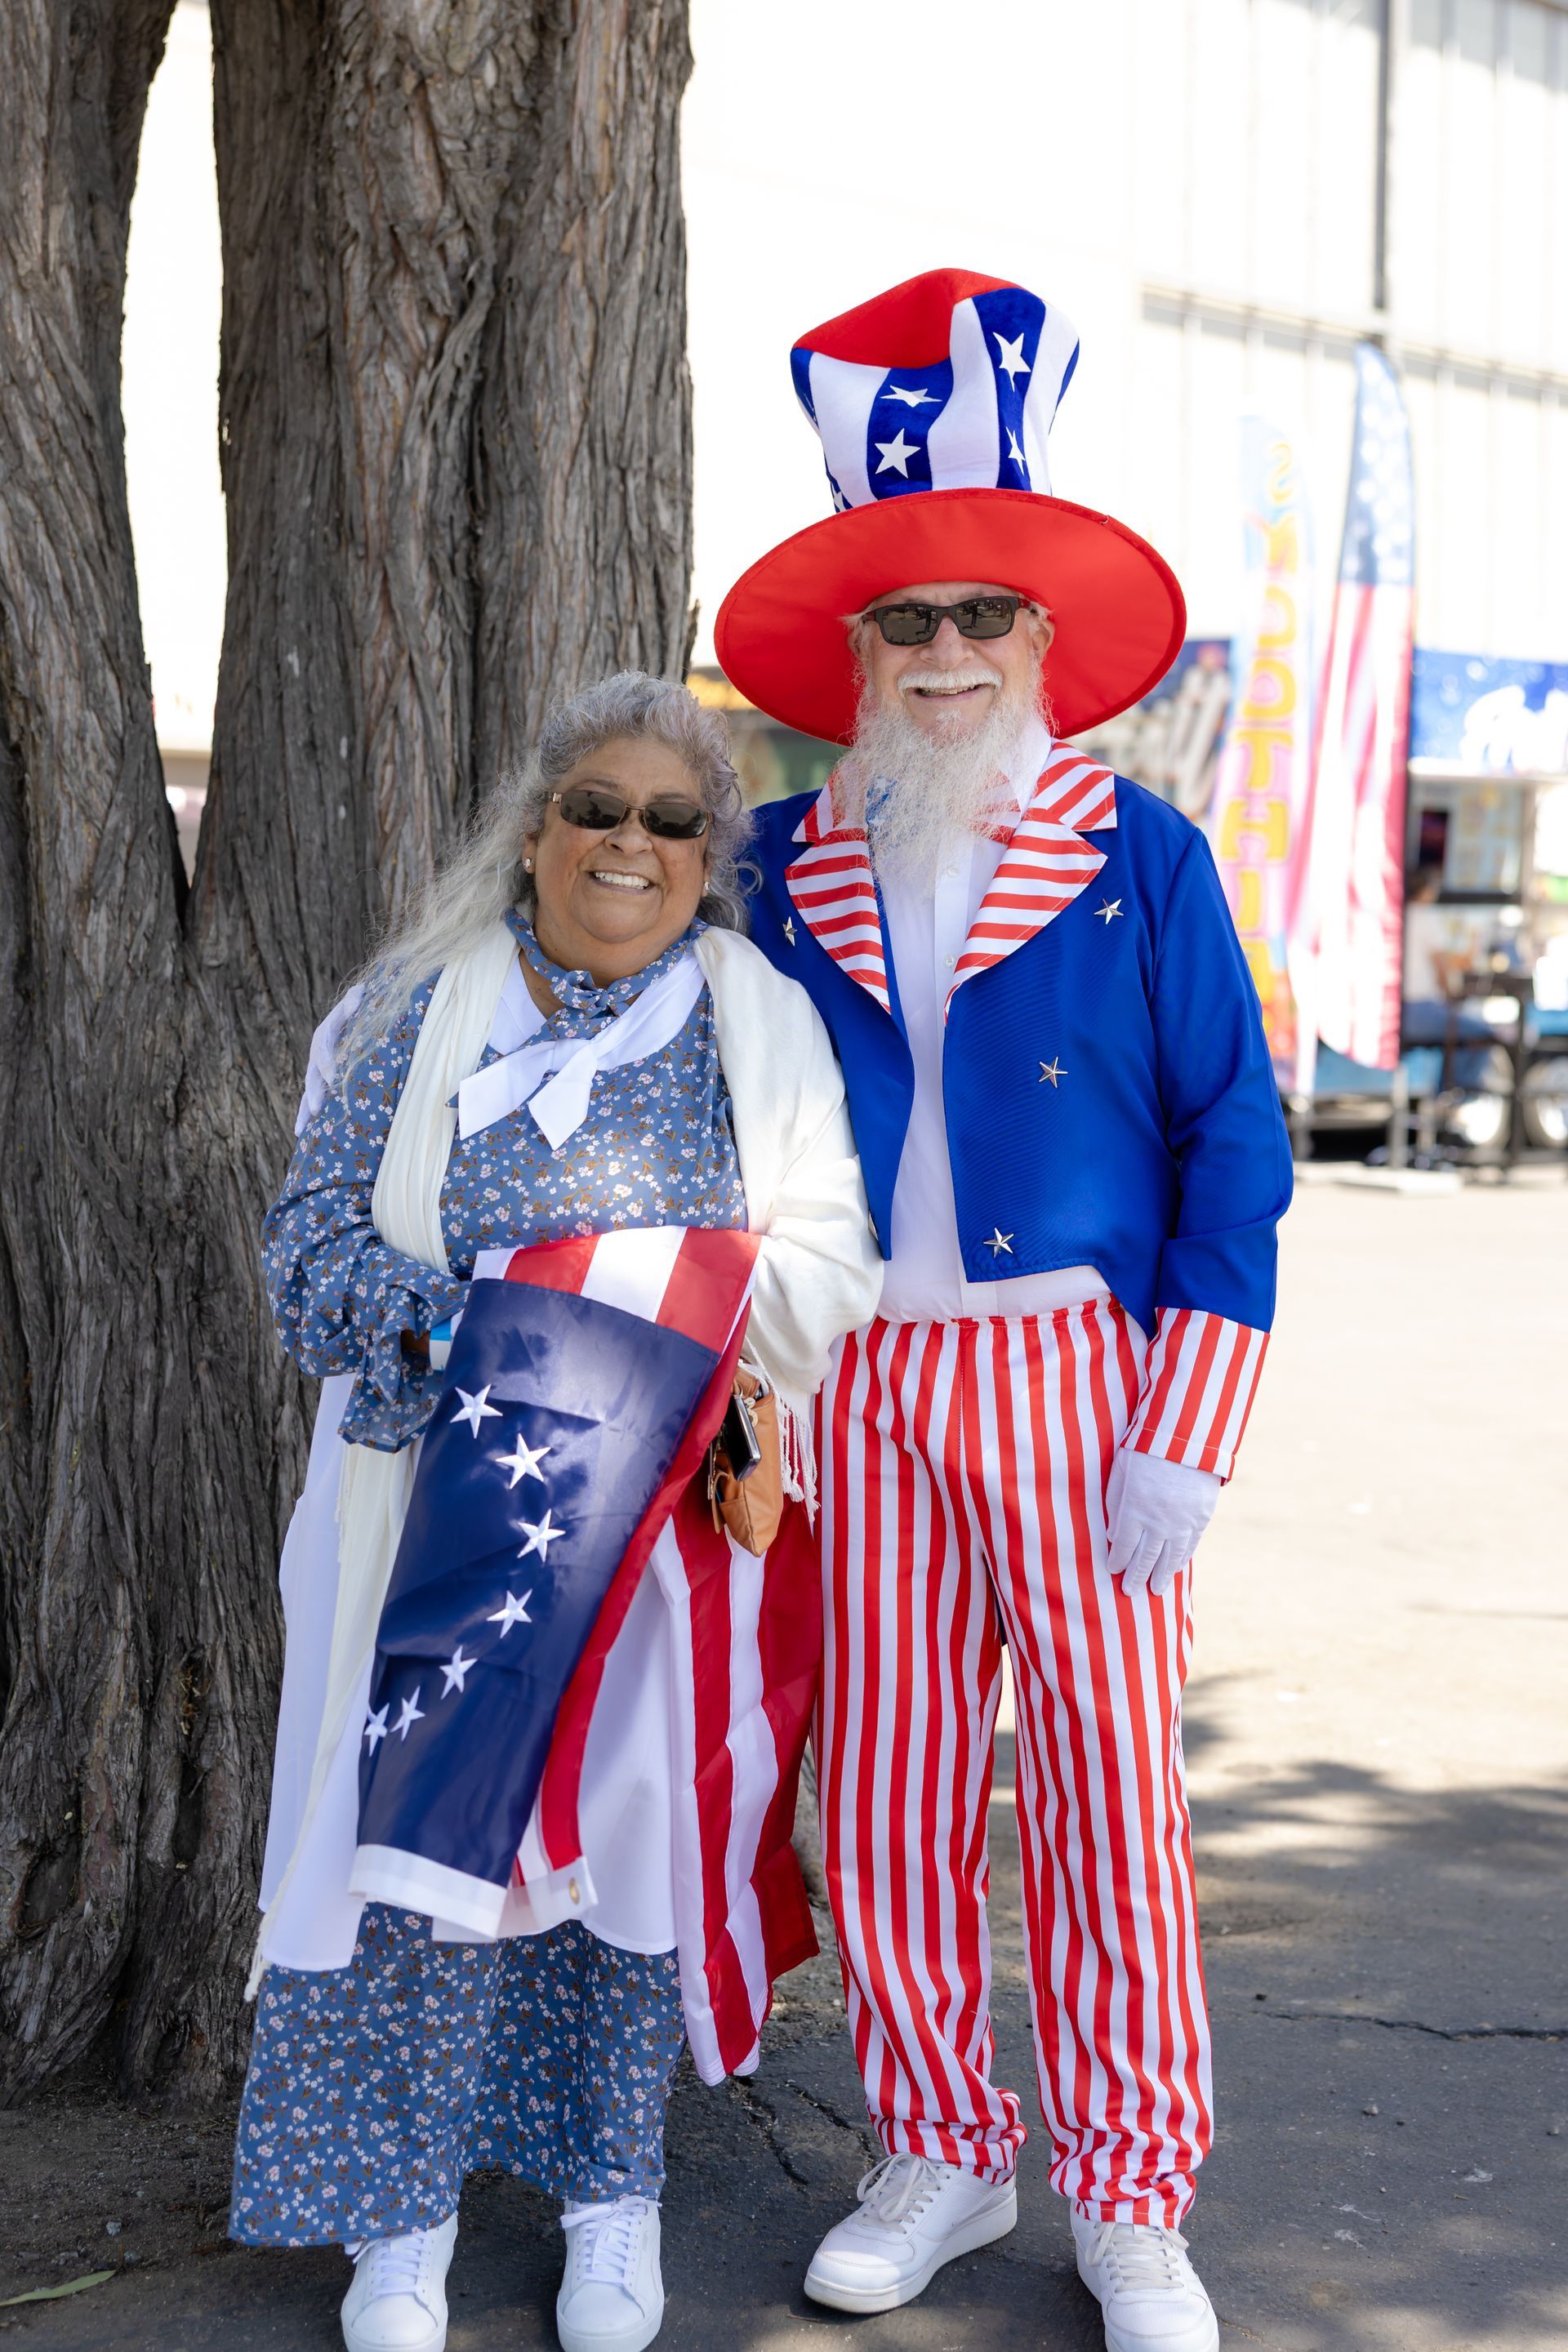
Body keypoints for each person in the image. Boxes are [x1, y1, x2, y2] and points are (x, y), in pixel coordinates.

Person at [715, 270, 1293, 2352]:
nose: (945, 652)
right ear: (857, 655)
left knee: (1111, 1791)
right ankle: (940, 2147)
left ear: (1041, 637)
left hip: (1079, 1375)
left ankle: (1134, 2193)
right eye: (906, 622)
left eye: (981, 615)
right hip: (858, 1374)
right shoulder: (782, 864)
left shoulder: (1143, 852)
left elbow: (1235, 1145)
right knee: (878, 1782)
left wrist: (1184, 1426)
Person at [229, 672, 881, 2352]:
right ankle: (400, 2219)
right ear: (534, 831)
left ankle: (611, 2202)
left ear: (706, 859)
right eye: (596, 807)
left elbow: (827, 1262)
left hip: (650, 1550)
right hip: (432, 1522)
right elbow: (307, 1247)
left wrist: (656, 1335)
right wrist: (480, 1335)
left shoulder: (755, 1019)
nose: (629, 843)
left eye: (674, 823)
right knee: (420, 1849)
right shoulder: (412, 1011)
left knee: (615, 1865)